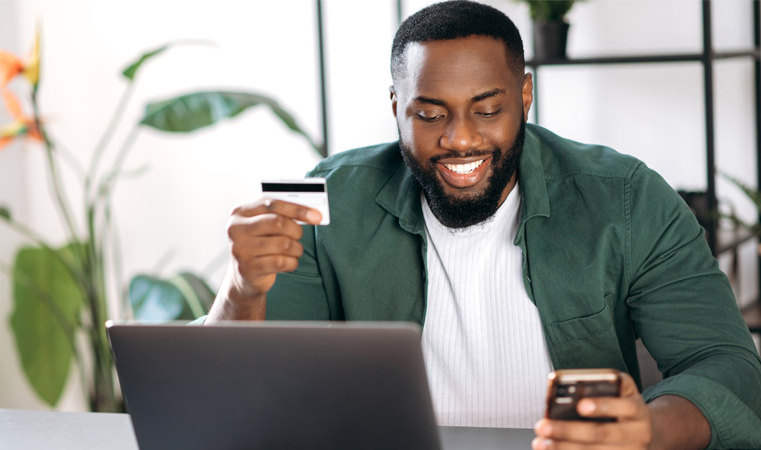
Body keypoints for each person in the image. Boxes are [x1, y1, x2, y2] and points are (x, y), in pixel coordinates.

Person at [203, 1, 761, 448]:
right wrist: (242, 287)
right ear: (396, 106)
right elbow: (237, 395)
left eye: (488, 110)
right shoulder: (326, 194)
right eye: (430, 115)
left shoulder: (626, 194)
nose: (461, 139)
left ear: (525, 96)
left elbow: (728, 365)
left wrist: (649, 430)